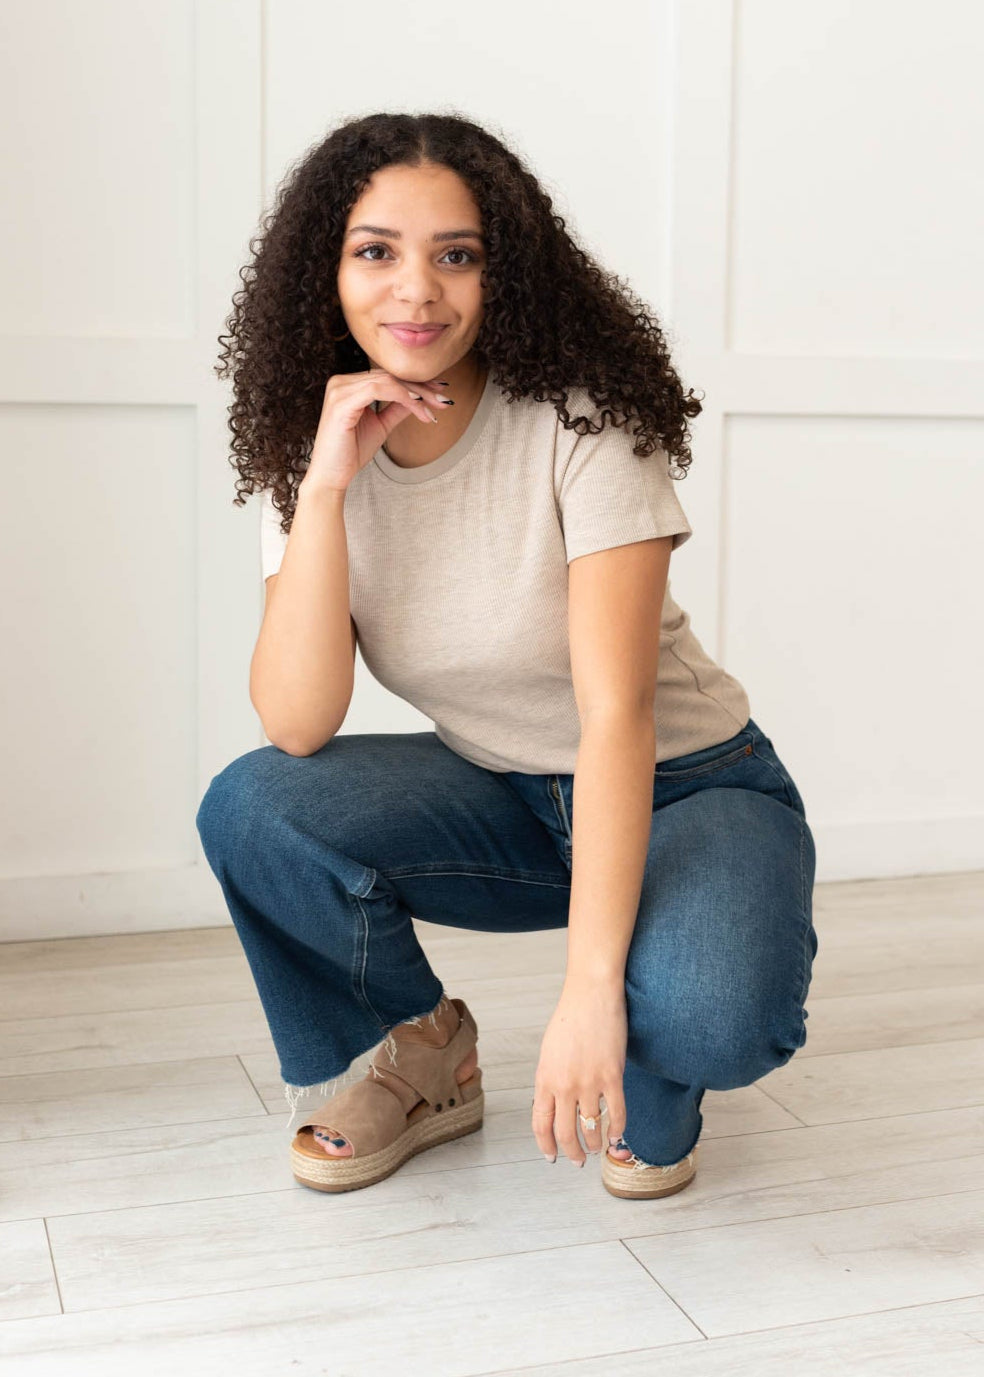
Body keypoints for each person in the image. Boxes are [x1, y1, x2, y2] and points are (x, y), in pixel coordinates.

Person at [196, 111, 818, 1200]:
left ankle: (651, 1052)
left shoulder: (582, 422)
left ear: (504, 274)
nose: (417, 292)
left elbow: (615, 717)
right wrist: (328, 488)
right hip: (512, 799)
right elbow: (297, 723)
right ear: (325, 272)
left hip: (687, 786)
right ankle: (426, 1048)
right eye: (376, 252)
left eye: (457, 255)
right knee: (255, 808)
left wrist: (587, 992)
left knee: (710, 1021)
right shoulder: (318, 451)